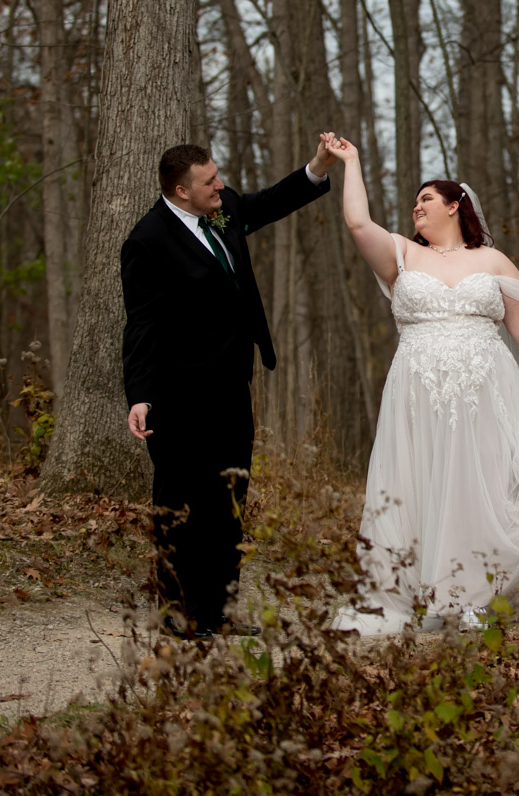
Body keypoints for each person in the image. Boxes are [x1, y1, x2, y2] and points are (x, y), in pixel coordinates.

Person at [326, 136, 519, 635]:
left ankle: (475, 591)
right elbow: (358, 222)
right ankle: (425, 593)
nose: (416, 207)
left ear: (454, 205)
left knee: (484, 486)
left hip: (486, 391)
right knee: (423, 485)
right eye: (414, 202)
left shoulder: (492, 260)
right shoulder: (401, 255)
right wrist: (352, 162)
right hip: (417, 393)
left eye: (426, 198)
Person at [122, 137, 338, 639]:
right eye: (209, 181)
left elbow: (270, 201)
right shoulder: (147, 241)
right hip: (177, 394)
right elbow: (142, 325)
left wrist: (318, 166)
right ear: (180, 191)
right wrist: (140, 394)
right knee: (180, 503)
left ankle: (218, 610)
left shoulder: (221, 210)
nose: (221, 186)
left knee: (228, 499)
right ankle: (179, 613)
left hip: (230, 386)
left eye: (218, 176)